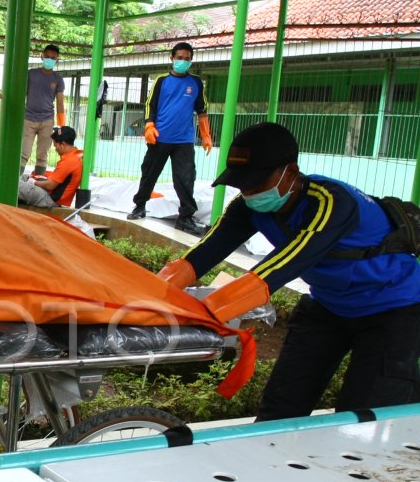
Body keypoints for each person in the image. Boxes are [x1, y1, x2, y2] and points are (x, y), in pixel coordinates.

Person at [157, 122, 420, 420]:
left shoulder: (332, 203)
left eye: (256, 183)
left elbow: (279, 268)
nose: (249, 193)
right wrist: (149, 296)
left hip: (392, 311)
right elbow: (202, 255)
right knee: (281, 406)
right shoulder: (249, 206)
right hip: (328, 306)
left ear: (291, 173)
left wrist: (204, 314)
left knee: (364, 415)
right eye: (242, 184)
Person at [128, 41, 213, 235]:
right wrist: (149, 125)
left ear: (191, 61)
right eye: (180, 58)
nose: (183, 61)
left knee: (186, 179)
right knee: (149, 173)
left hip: (184, 140)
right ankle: (139, 206)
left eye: (187, 59)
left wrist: (206, 134)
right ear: (172, 58)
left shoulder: (196, 83)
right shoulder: (161, 81)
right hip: (160, 138)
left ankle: (185, 218)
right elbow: (151, 104)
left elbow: (202, 110)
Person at [20, 44, 66, 178]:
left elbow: (60, 102)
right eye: (47, 57)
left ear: (57, 60)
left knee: (42, 156)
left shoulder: (58, 79)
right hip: (28, 119)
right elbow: (22, 94)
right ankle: (16, 186)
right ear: (42, 56)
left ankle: (39, 187)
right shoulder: (31, 74)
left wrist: (61, 125)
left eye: (53, 58)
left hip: (47, 121)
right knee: (23, 154)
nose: (49, 60)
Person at [14, 125, 83, 208]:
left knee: (13, 184)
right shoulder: (76, 155)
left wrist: (34, 182)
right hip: (50, 194)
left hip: (49, 199)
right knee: (25, 177)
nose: (55, 149)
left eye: (56, 145)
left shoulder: (68, 162)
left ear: (63, 144)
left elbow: (50, 185)